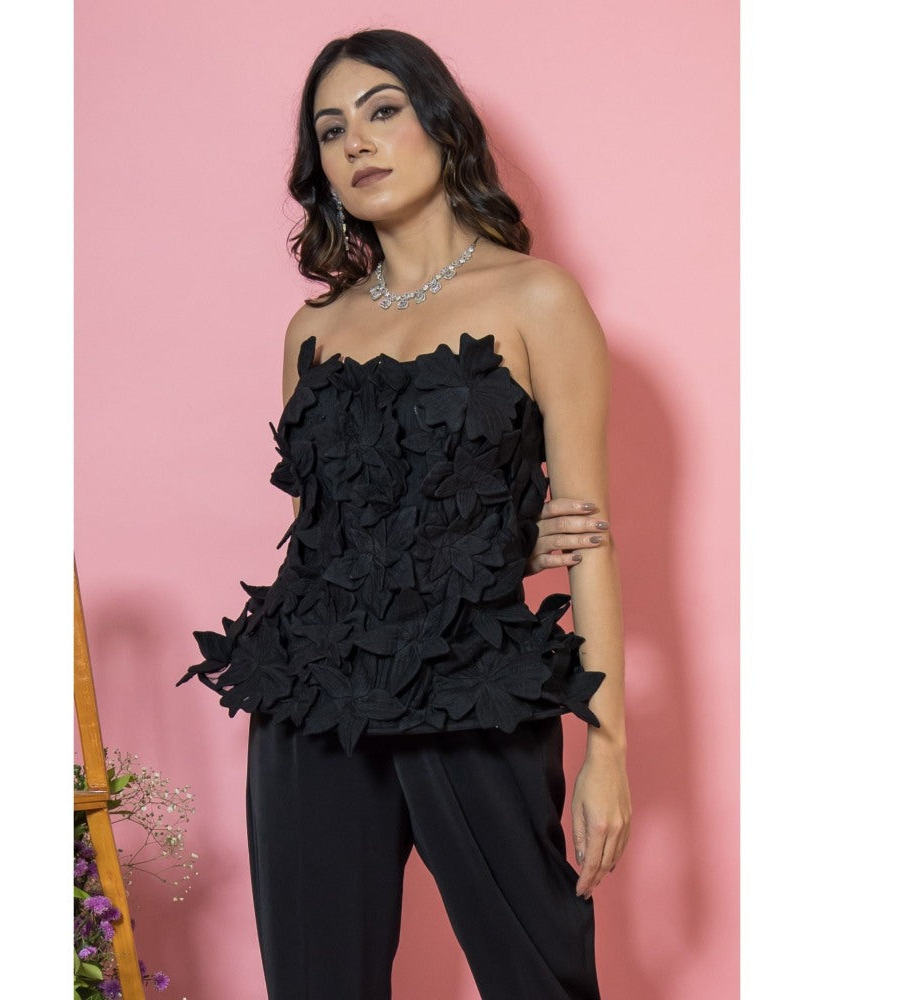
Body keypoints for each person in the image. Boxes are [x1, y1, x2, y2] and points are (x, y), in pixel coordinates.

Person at [179, 28, 631, 1000]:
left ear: (440, 123)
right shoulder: (312, 330)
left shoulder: (536, 298)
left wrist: (609, 749)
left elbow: (589, 540)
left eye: (382, 111)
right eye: (330, 130)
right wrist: (497, 535)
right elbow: (330, 536)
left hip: (475, 686)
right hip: (309, 697)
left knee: (538, 979)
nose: (357, 142)